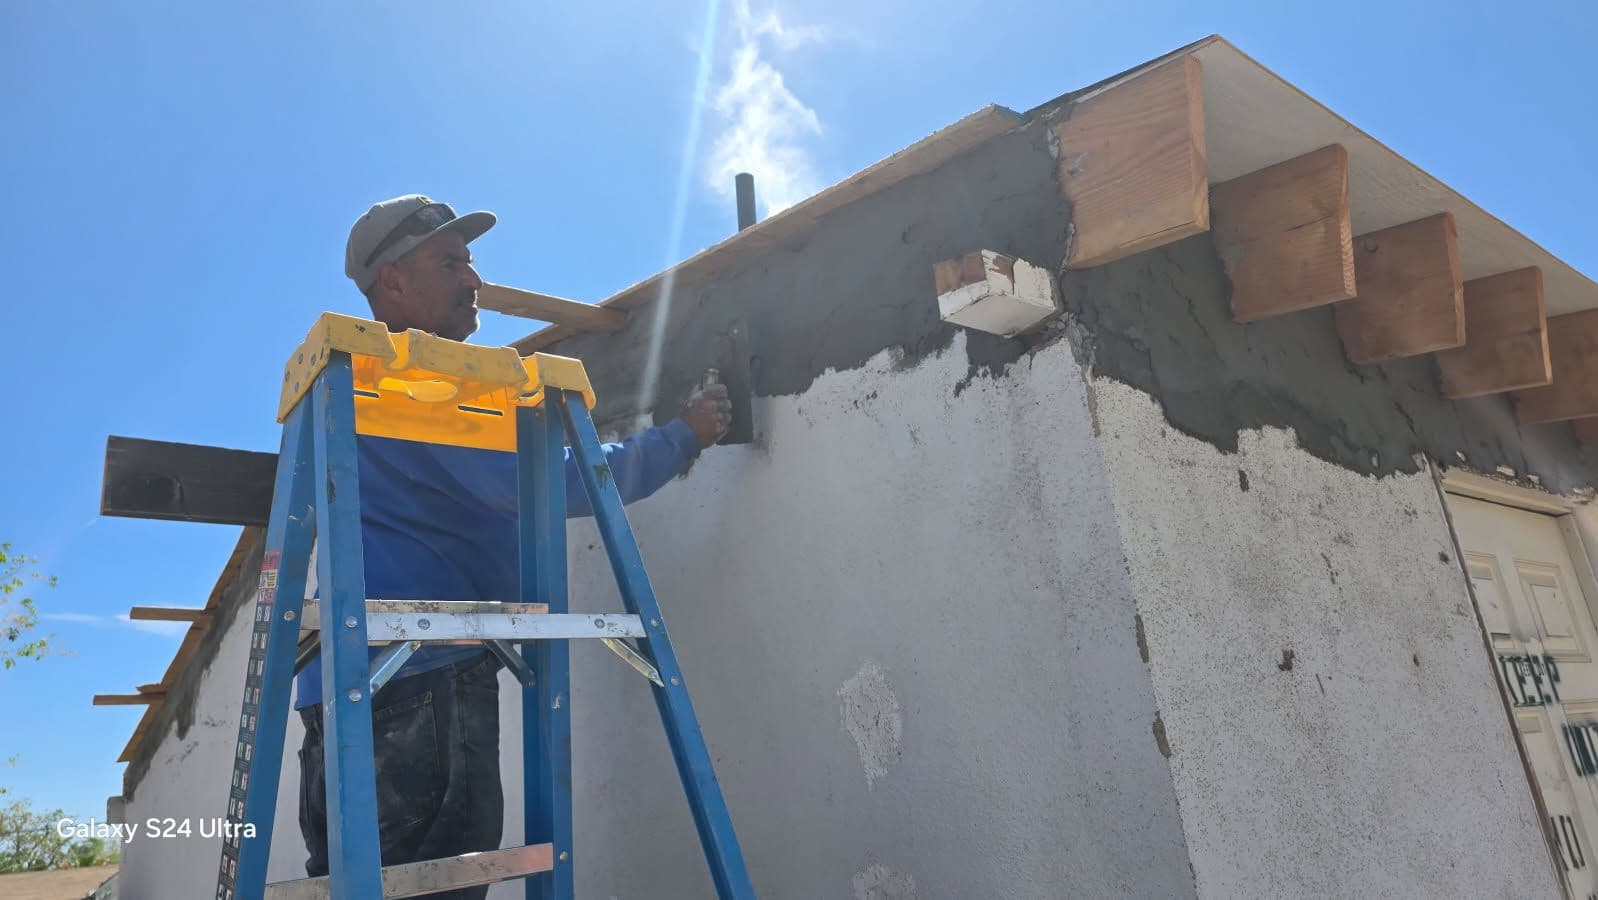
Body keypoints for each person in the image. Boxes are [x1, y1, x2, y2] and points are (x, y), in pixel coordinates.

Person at [293, 194, 731, 897]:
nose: (474, 280)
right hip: (416, 678)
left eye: (470, 261)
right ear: (392, 283)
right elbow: (554, 484)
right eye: (449, 264)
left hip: (343, 685)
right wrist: (682, 438)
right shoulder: (417, 387)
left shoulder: (358, 387)